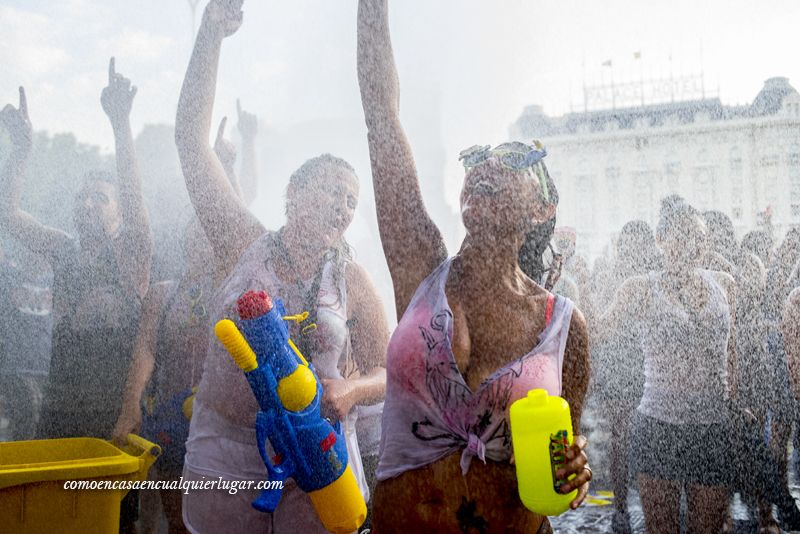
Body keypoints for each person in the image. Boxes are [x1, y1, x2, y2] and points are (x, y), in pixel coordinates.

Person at [357, 1, 591, 532]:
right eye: (477, 158)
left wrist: (575, 468)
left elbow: (568, 446)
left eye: (512, 158)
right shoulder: (422, 267)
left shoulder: (563, 325)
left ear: (542, 209)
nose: (486, 162)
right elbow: (380, 113)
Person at [175, 2, 389, 532]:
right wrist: (211, 34)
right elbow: (190, 142)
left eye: (351, 202)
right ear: (294, 193)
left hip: (316, 462)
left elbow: (391, 372)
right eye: (332, 191)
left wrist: (354, 391)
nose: (343, 206)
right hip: (225, 455)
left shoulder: (352, 281)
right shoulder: (243, 242)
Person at [0, 59, 152, 440]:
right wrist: (20, 152)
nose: (86, 204)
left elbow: (134, 200)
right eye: (81, 197)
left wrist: (121, 124)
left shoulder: (130, 252)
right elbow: (8, 215)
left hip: (114, 416)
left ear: (119, 211)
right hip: (59, 410)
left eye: (99, 198)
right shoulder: (63, 249)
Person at [594, 196, 736, 534]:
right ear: (661, 241)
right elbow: (596, 333)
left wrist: (737, 404)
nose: (692, 244)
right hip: (658, 427)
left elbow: (732, 352)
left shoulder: (725, 284)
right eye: (682, 235)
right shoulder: (640, 288)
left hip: (712, 427)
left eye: (699, 237)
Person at [589, 220, 660, 534]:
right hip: (625, 365)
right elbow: (600, 324)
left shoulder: (649, 276)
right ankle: (622, 507)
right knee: (625, 437)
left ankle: (631, 507)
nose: (631, 248)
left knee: (635, 438)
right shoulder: (620, 275)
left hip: (642, 365)